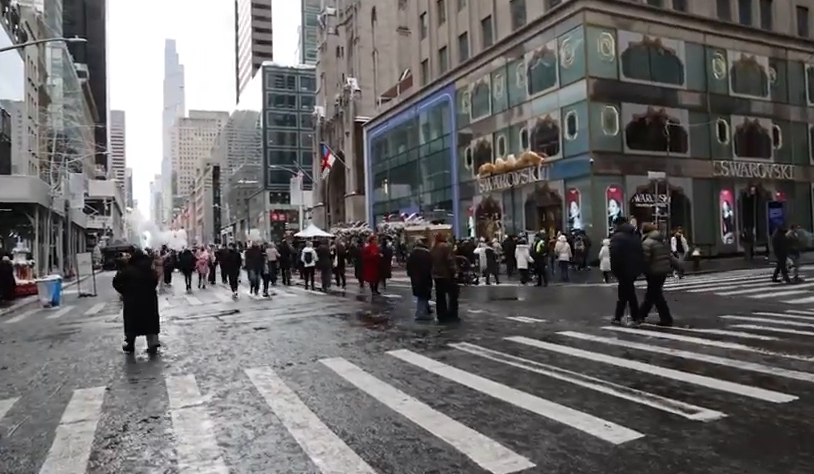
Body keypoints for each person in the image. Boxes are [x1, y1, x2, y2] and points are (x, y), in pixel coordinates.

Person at [113, 249, 160, 354]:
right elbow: (155, 281)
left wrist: (124, 292)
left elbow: (116, 282)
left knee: (132, 324)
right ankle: (152, 343)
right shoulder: (150, 269)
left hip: (132, 301)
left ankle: (130, 344)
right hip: (149, 301)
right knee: (151, 323)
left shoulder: (128, 270)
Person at [609, 216, 644, 325]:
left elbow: (615, 256)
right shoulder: (635, 235)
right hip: (633, 269)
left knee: (627, 294)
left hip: (622, 269)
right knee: (626, 293)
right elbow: (640, 253)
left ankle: (632, 316)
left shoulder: (617, 237)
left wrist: (614, 271)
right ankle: (621, 316)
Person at [638, 223, 674, 326]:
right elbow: (669, 256)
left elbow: (645, 259)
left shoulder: (647, 243)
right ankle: (642, 315)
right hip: (662, 271)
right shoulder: (661, 241)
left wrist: (640, 269)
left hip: (653, 272)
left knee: (654, 295)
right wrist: (679, 266)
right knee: (654, 294)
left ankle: (665, 318)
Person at [430, 233, 459, 322]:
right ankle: (452, 314)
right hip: (446, 274)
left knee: (440, 296)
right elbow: (449, 260)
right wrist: (455, 271)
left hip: (437, 275)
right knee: (453, 295)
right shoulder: (445, 247)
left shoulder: (433, 248)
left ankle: (441, 314)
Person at [407, 237, 433, 321]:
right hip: (425, 277)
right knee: (424, 295)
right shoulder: (427, 253)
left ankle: (424, 310)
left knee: (420, 295)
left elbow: (409, 266)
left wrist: (411, 275)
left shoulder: (413, 253)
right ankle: (420, 313)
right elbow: (430, 265)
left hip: (416, 278)